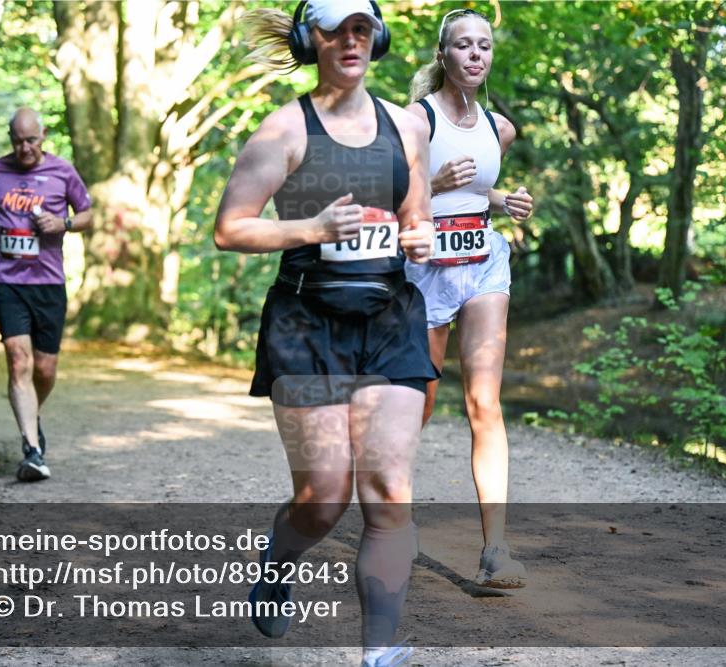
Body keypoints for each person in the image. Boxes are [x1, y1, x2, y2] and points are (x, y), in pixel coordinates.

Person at [214, 2, 435, 664]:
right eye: (336, 28)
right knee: (323, 498)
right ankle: (279, 561)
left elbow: (414, 218)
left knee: (389, 491)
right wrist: (314, 229)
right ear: (313, 39)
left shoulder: (407, 126)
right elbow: (231, 228)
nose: (351, 40)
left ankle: (377, 654)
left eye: (361, 27)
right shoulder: (285, 128)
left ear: (378, 38)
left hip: (392, 319)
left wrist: (419, 236)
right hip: (306, 324)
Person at [405, 8, 534, 588]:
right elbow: (384, 197)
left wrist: (503, 199)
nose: (475, 54)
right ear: (443, 55)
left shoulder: (499, 127)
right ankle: (395, 517)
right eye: (463, 45)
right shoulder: (415, 120)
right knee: (418, 407)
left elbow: (479, 190)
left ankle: (495, 551)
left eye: (484, 45)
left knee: (485, 404)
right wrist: (434, 186)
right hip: (424, 271)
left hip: (482, 264)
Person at [0, 107, 93, 482]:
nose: (24, 149)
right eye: (17, 142)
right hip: (8, 282)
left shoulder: (62, 171)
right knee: (18, 361)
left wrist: (62, 223)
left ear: (43, 135)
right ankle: (32, 450)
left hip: (48, 283)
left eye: (31, 140)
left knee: (44, 369)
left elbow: (88, 214)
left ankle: (32, 413)